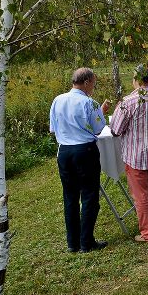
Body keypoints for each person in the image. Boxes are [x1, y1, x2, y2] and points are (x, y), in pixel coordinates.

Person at [49, 67, 110, 253]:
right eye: (93, 83)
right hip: (85, 151)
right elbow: (98, 129)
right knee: (90, 196)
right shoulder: (89, 102)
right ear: (85, 82)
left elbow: (53, 128)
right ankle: (86, 242)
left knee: (70, 197)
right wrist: (100, 113)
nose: (93, 87)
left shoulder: (58, 100)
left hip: (65, 151)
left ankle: (72, 243)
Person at [110, 65, 148, 242]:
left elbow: (115, 130)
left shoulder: (128, 102)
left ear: (136, 79)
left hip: (137, 156)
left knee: (141, 195)